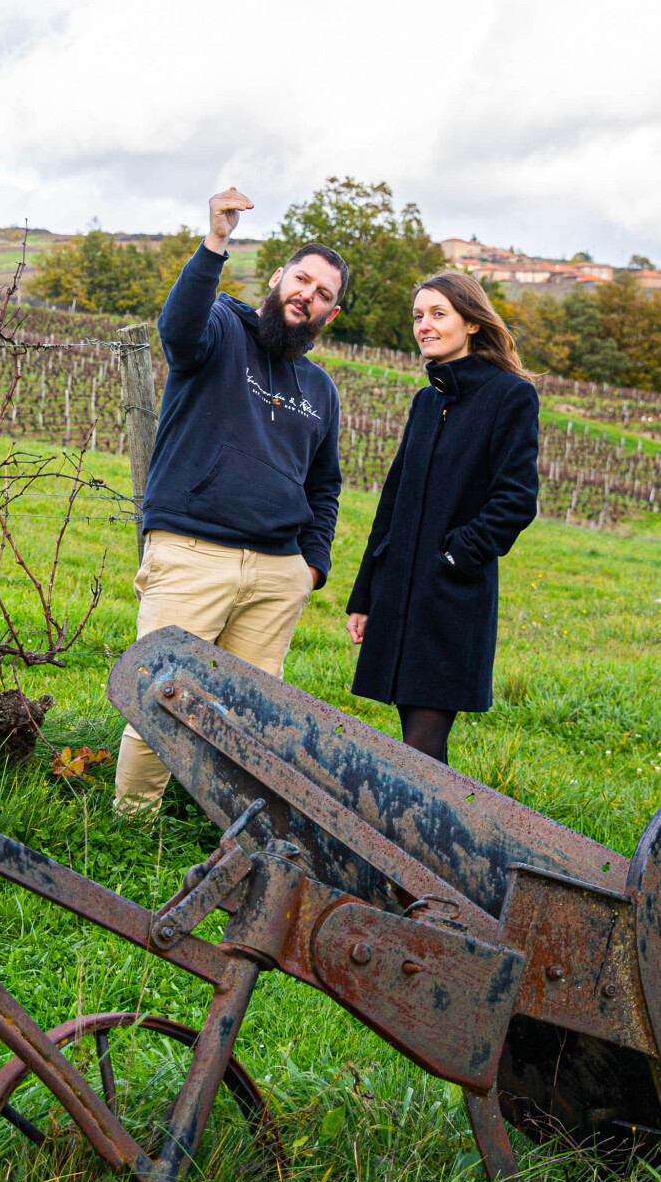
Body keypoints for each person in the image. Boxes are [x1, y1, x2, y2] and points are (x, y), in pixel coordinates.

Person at [112, 187, 347, 814]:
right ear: (277, 278)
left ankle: (227, 834)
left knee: (248, 722)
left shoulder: (321, 389)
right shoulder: (220, 328)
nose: (308, 296)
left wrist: (311, 564)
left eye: (324, 294)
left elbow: (325, 485)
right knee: (159, 699)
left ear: (331, 314)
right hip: (193, 552)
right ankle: (129, 833)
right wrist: (214, 242)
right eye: (302, 280)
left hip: (277, 573)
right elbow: (177, 330)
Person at [344, 272, 540, 766]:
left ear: (472, 323)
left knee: (422, 748)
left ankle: (415, 841)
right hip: (399, 592)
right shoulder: (426, 401)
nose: (424, 326)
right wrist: (365, 595)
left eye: (438, 314)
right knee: (414, 742)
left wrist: (453, 556)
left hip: (451, 597)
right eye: (417, 316)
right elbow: (392, 502)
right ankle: (416, 838)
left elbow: (516, 499)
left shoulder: (509, 395)